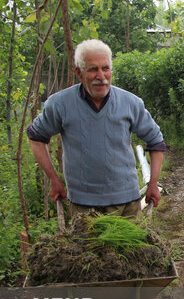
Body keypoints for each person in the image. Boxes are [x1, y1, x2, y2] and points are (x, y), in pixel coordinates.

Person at [27, 39, 166, 217]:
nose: (101, 76)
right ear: (79, 73)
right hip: (83, 206)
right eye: (93, 69)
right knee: (86, 245)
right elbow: (36, 138)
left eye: (105, 68)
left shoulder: (130, 103)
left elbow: (156, 142)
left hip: (126, 204)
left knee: (132, 245)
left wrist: (153, 183)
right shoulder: (60, 104)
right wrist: (53, 179)